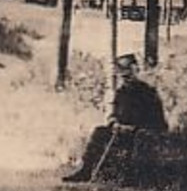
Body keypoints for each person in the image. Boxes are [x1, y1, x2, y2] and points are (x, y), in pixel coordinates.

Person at [62, 54, 169, 183]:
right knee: (99, 132)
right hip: (122, 131)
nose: (126, 78)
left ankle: (128, 176)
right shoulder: (121, 92)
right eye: (122, 75)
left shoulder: (148, 92)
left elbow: (157, 121)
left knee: (137, 139)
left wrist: (134, 128)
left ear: (136, 70)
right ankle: (86, 170)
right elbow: (114, 114)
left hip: (144, 132)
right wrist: (114, 123)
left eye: (129, 73)